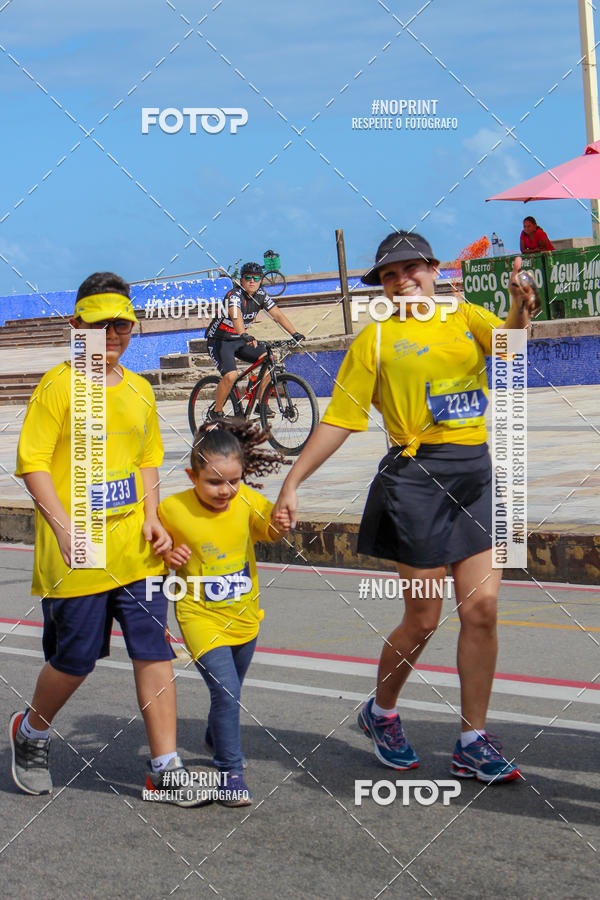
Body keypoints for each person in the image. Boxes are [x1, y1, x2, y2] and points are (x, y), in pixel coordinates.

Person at [273, 231, 538, 784]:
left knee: (482, 611)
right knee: (423, 618)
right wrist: (292, 482)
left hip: (475, 476)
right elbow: (341, 419)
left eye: (410, 269)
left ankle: (472, 738)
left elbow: (512, 349)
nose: (402, 281)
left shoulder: (467, 318)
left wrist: (518, 307)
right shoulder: (374, 341)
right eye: (390, 275)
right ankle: (382, 711)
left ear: (433, 269)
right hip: (415, 483)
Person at [10, 272, 209, 806]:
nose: (112, 334)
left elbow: (147, 459)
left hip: (134, 546)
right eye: (99, 325)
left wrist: (153, 516)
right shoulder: (58, 387)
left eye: (121, 323)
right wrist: (65, 529)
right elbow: (31, 465)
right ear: (78, 327)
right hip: (77, 548)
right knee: (75, 658)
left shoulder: (140, 390)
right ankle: (31, 730)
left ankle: (165, 766)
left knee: (153, 650)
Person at [158, 419, 291, 806]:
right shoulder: (173, 509)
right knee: (227, 691)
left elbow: (268, 530)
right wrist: (167, 554)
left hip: (246, 617)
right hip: (199, 617)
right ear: (192, 475)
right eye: (214, 482)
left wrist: (281, 523)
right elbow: (153, 549)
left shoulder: (245, 499)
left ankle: (216, 734)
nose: (225, 491)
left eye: (233, 481)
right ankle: (231, 772)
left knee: (229, 692)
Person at [205, 261, 305, 420]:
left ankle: (261, 403)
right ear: (242, 280)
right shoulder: (234, 295)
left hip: (240, 339)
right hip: (219, 340)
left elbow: (277, 315)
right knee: (231, 375)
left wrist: (295, 333)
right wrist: (244, 334)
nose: (252, 281)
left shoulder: (261, 296)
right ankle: (216, 411)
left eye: (256, 278)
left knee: (267, 359)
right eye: (248, 277)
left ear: (260, 280)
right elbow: (236, 315)